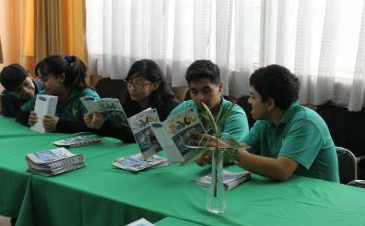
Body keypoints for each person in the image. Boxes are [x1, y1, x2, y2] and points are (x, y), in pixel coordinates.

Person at [198, 64, 340, 183]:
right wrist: (214, 153)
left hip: (318, 199)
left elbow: (281, 170)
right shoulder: (266, 120)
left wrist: (230, 151)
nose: (249, 101)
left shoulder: (306, 122)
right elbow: (245, 149)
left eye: (253, 97)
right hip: (286, 193)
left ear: (270, 103)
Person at [84, 59, 179, 142]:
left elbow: (145, 139)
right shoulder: (130, 102)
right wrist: (95, 124)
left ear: (155, 85)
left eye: (139, 83)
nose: (132, 88)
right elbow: (123, 132)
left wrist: (104, 126)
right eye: (130, 82)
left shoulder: (169, 108)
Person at [169, 60, 249, 144]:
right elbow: (165, 138)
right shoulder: (185, 108)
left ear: (220, 87)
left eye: (206, 91)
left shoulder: (234, 116)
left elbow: (227, 154)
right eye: (194, 92)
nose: (200, 98)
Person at [20, 55, 100, 133]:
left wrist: (59, 124)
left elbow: (96, 127)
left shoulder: (87, 97)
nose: (42, 84)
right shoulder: (45, 94)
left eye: (45, 79)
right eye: (40, 79)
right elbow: (21, 112)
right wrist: (29, 119)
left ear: (61, 77)